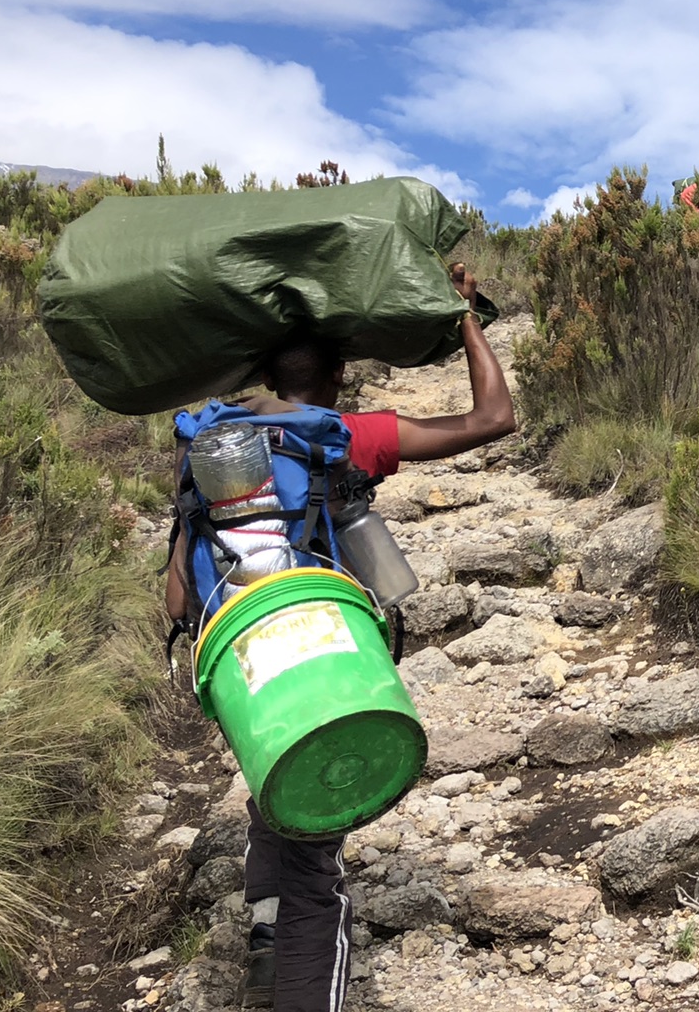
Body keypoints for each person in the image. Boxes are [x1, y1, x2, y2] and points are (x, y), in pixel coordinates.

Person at [164, 262, 515, 1012]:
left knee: (272, 794)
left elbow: (174, 594)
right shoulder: (341, 438)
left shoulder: (210, 445)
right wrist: (463, 316)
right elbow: (493, 419)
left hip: (235, 660)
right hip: (319, 656)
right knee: (316, 862)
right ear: (341, 372)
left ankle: (265, 948)